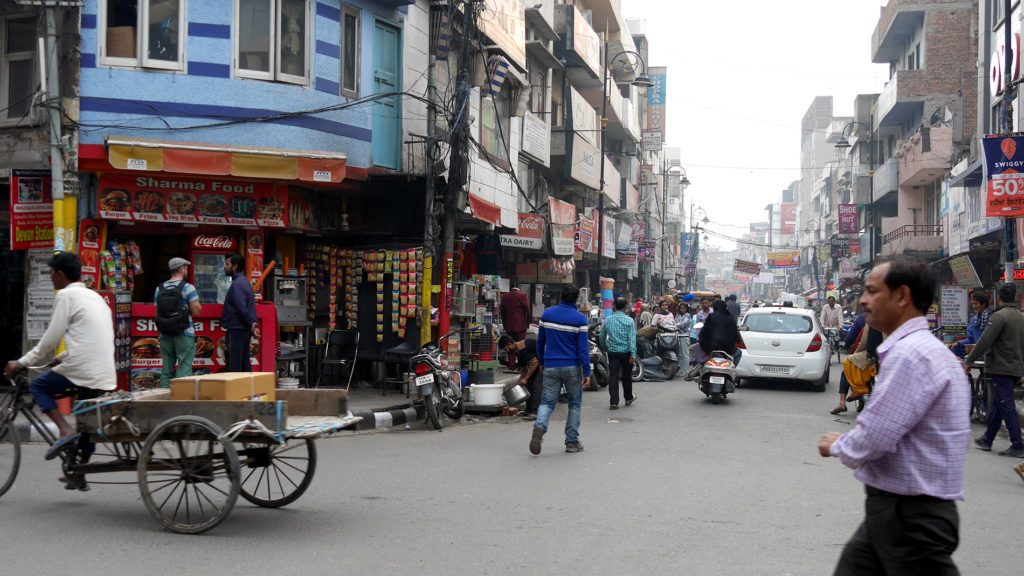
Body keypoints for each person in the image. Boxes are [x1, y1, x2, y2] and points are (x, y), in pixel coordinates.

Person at [818, 257, 970, 575]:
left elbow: (876, 435)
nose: (862, 300)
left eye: (872, 291)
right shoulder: (926, 350)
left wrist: (839, 444)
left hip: (910, 515)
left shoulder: (910, 355)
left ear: (901, 297)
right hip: (897, 510)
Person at [4, 253, 117, 489]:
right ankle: (79, 471)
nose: (51, 278)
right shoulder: (95, 296)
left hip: (83, 367)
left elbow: (49, 339)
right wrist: (62, 357)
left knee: (38, 386)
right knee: (86, 418)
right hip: (104, 370)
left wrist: (21, 362)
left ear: (60, 274)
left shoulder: (66, 295)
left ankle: (64, 430)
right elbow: (93, 338)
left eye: (51, 273)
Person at [964, 283, 1024, 457]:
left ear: (998, 298)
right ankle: (988, 439)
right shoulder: (1020, 317)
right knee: (998, 403)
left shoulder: (999, 317)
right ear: (1015, 297)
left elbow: (984, 341)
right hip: (1015, 367)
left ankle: (1018, 444)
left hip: (1001, 367)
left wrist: (969, 360)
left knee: (1006, 404)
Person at [529, 284, 590, 455]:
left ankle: (540, 425)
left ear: (561, 297)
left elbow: (540, 341)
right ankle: (571, 442)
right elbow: (583, 349)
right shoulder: (580, 319)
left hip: (551, 365)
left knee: (547, 403)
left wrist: (541, 361)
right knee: (575, 404)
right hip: (572, 366)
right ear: (576, 300)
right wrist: (587, 371)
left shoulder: (547, 314)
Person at [155, 257, 202, 388]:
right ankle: (181, 402)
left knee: (166, 371)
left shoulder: (160, 289)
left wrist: (160, 333)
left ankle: (164, 400)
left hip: (165, 334)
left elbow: (157, 314)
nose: (186, 270)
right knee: (184, 369)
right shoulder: (188, 288)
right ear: (181, 269)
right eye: (186, 267)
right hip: (184, 333)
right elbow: (196, 310)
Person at [829, 313, 882, 415]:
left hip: (871, 357)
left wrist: (849, 348)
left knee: (847, 366)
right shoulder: (897, 319)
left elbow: (859, 341)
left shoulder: (866, 319)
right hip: (887, 357)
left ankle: (842, 403)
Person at [221, 254, 258, 372]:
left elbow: (241, 309)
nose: (224, 267)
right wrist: (252, 324)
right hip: (243, 329)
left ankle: (238, 390)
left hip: (237, 329)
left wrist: (251, 324)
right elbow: (250, 308)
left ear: (235, 266)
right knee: (244, 362)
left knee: (234, 365)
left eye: (227, 264)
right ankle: (249, 389)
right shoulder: (244, 282)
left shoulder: (237, 285)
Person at [599, 297, 637, 410]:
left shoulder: (608, 320)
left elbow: (602, 337)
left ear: (614, 306)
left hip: (613, 352)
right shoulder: (629, 321)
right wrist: (633, 354)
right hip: (626, 353)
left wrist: (606, 347)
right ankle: (628, 398)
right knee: (626, 376)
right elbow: (632, 339)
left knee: (613, 376)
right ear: (626, 307)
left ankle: (614, 402)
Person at [498, 334, 540, 421]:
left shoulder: (523, 348)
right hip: (538, 365)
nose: (507, 351)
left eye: (506, 349)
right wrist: (519, 383)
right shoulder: (518, 353)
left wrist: (526, 378)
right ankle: (529, 410)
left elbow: (535, 362)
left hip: (545, 364)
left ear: (510, 344)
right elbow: (524, 370)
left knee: (536, 386)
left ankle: (536, 413)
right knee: (528, 385)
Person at [949, 292, 991, 358]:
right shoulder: (973, 320)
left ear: (983, 304)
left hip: (989, 353)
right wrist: (958, 343)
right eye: (973, 304)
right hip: (976, 352)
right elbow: (970, 340)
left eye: (976, 304)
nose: (974, 306)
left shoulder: (992, 318)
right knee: (955, 350)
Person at [499, 285, 530, 368]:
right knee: (521, 346)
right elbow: (528, 310)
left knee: (509, 346)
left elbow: (502, 311)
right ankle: (522, 365)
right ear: (518, 290)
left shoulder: (505, 297)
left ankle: (511, 365)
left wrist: (504, 324)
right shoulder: (523, 296)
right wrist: (527, 323)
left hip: (509, 326)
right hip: (521, 326)